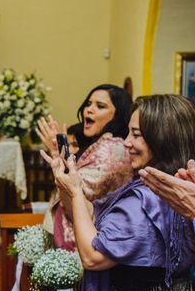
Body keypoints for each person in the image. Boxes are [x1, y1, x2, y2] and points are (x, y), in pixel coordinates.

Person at [43, 94, 195, 291]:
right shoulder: (174, 188)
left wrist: (76, 192)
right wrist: (70, 187)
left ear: (162, 138)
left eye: (136, 135)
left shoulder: (148, 201)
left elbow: (92, 256)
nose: (126, 142)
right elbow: (89, 218)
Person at [36, 84, 133, 250]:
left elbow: (77, 192)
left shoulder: (113, 148)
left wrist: (58, 154)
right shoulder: (97, 143)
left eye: (100, 106)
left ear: (118, 115)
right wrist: (58, 154)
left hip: (95, 241)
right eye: (88, 104)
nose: (89, 110)